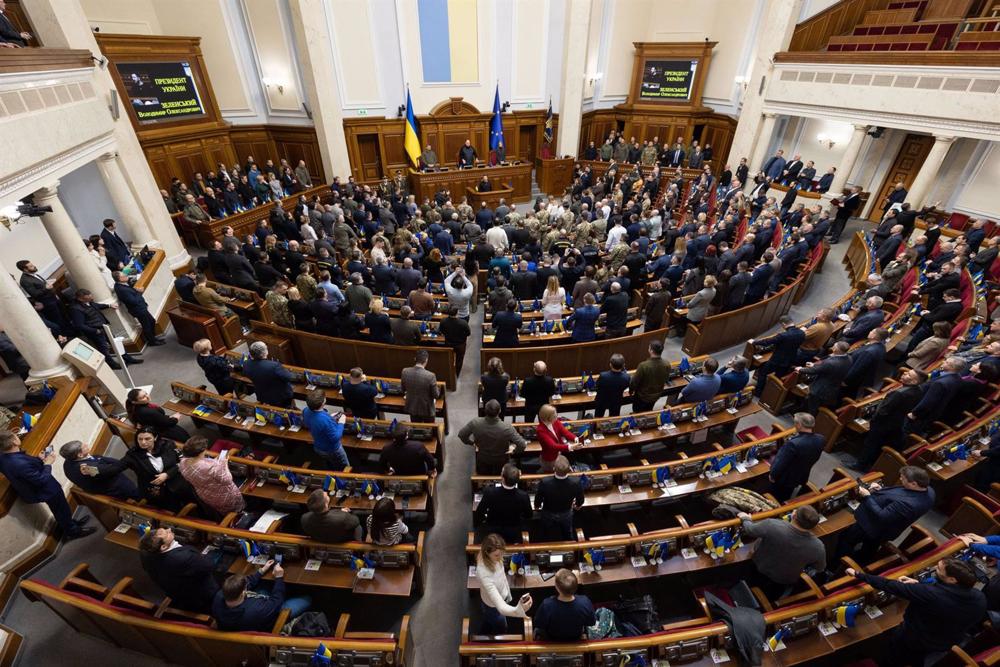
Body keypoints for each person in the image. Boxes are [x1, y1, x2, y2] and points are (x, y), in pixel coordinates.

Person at [845, 559, 985, 667]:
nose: (935, 569)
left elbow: (889, 585)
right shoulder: (979, 597)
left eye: (939, 569)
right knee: (916, 658)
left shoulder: (932, 594)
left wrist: (858, 575)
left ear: (952, 580)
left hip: (913, 638)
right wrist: (919, 586)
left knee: (891, 658)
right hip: (943, 640)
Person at [0, 432, 94, 540]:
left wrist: (39, 459)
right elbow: (41, 480)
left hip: (35, 489)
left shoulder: (3, 457)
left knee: (60, 510)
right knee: (61, 509)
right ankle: (73, 531)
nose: (18, 436)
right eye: (16, 435)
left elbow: (27, 469)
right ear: (14, 442)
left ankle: (70, 523)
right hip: (45, 490)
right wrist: (48, 464)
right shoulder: (19, 464)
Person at [836, 466, 935, 563]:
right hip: (887, 529)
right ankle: (862, 561)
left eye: (903, 478)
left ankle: (839, 565)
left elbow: (882, 516)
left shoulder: (908, 504)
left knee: (847, 539)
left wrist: (867, 497)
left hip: (872, 527)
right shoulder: (929, 491)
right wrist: (882, 489)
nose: (900, 479)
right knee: (870, 547)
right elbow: (898, 494)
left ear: (914, 483)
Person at [737, 506, 826, 600]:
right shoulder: (818, 546)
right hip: (784, 582)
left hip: (758, 569)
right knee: (771, 598)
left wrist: (745, 518)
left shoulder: (772, 525)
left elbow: (750, 530)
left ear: (794, 515)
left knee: (748, 591)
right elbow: (820, 568)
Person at [854, 369, 924, 471]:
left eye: (908, 374)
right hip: (896, 422)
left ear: (914, 382)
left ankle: (860, 465)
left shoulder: (898, 393)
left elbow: (883, 411)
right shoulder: (919, 390)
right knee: (878, 444)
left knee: (870, 443)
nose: (904, 373)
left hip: (882, 423)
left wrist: (873, 419)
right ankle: (870, 465)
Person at [139, 527, 219, 613]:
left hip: (175, 592)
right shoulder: (184, 557)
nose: (169, 529)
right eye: (166, 533)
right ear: (163, 546)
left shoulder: (145, 553)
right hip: (200, 596)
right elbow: (209, 566)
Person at [213, 561, 311, 632]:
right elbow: (277, 600)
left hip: (251, 619)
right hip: (273, 615)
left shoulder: (219, 597)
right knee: (307, 599)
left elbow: (242, 583)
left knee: (264, 587)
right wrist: (279, 577)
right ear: (243, 592)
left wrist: (261, 571)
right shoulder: (257, 610)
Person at [123, 428, 195, 510]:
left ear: (155, 438)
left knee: (191, 500)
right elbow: (118, 466)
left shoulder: (167, 445)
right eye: (140, 439)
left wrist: (168, 474)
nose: (143, 442)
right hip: (158, 491)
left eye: (147, 439)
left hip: (177, 481)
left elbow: (183, 462)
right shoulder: (133, 454)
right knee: (170, 508)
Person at [69, 288, 142, 369]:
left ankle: (128, 359)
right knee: (104, 349)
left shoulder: (89, 302)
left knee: (116, 343)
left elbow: (97, 306)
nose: (91, 297)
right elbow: (80, 325)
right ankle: (112, 364)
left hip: (104, 327)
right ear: (81, 298)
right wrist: (95, 331)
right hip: (95, 332)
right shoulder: (76, 309)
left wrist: (109, 305)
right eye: (88, 296)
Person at [475, 533, 532, 634]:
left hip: (501, 596)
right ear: (486, 553)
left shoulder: (495, 558)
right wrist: (518, 610)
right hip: (492, 606)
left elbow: (502, 576)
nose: (500, 557)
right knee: (501, 627)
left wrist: (508, 594)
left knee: (489, 621)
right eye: (497, 555)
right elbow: (500, 607)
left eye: (502, 553)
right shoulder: (484, 573)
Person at [178, 436, 245, 518]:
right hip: (224, 496)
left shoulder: (183, 462)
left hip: (206, 495)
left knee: (222, 511)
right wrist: (224, 463)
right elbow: (227, 480)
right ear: (200, 453)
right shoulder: (211, 467)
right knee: (237, 511)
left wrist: (215, 462)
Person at [460, 400, 527, 475]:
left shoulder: (475, 423)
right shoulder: (507, 427)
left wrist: (472, 443)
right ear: (500, 411)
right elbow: (522, 444)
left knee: (484, 477)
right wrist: (514, 451)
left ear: (485, 410)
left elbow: (462, 435)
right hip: (501, 460)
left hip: (483, 458)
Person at [768, 413, 825, 502]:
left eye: (795, 423)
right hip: (800, 475)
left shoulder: (793, 444)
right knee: (786, 496)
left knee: (774, 498)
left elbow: (781, 462)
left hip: (784, 479)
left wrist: (772, 475)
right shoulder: (821, 439)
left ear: (799, 425)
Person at [475, 463, 532, 543]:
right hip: (514, 529)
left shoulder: (490, 492)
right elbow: (529, 515)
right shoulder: (523, 495)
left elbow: (480, 512)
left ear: (503, 479)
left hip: (493, 528)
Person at [533, 569, 596, 641]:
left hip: (552, 639)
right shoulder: (585, 602)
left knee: (537, 630)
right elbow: (591, 622)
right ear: (576, 585)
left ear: (556, 587)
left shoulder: (547, 605)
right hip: (575, 638)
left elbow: (538, 623)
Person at [534, 455, 585, 541]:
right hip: (566, 512)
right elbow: (580, 498)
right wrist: (577, 505)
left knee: (545, 531)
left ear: (554, 468)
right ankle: (570, 547)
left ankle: (543, 543)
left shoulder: (545, 482)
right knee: (567, 533)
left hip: (548, 512)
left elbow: (539, 496)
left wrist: (537, 505)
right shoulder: (576, 482)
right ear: (569, 468)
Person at [751, 315, 805, 396]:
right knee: (778, 376)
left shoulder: (783, 335)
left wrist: (754, 342)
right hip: (790, 360)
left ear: (783, 324)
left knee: (762, 372)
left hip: (777, 360)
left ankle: (758, 393)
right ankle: (770, 392)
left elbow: (768, 342)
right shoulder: (802, 333)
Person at [797, 341, 852, 414]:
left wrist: (800, 369)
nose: (832, 347)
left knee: (812, 408)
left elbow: (814, 371)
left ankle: (807, 419)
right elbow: (827, 369)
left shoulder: (831, 363)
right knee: (813, 404)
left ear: (835, 350)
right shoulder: (849, 358)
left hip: (820, 389)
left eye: (834, 346)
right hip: (833, 387)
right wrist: (814, 365)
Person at [113, 271, 165, 346]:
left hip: (140, 308)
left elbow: (131, 293)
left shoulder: (120, 285)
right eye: (124, 275)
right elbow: (132, 301)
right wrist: (139, 292)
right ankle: (152, 342)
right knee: (147, 325)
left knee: (151, 321)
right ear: (120, 279)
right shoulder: (121, 289)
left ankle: (153, 338)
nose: (126, 275)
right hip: (138, 310)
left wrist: (135, 290)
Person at [301, 389, 350, 470]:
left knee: (329, 463)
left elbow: (308, 422)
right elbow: (335, 437)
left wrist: (329, 417)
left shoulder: (306, 410)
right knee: (344, 466)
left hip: (318, 447)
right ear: (323, 402)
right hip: (332, 449)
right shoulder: (324, 420)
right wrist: (341, 423)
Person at [242, 340, 295, 408]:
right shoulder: (274, 366)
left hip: (262, 395)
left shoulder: (246, 364)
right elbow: (289, 377)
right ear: (265, 352)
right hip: (280, 398)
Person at [126, 388, 190, 442]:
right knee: (185, 438)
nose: (147, 396)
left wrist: (168, 417)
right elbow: (168, 423)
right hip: (164, 431)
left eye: (146, 394)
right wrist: (175, 418)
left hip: (156, 426)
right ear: (134, 402)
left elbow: (157, 419)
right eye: (143, 397)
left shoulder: (135, 409)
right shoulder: (149, 412)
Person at [536, 405, 580, 473]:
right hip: (549, 459)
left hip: (558, 453)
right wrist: (570, 446)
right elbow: (552, 446)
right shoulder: (540, 430)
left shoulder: (555, 421)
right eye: (554, 416)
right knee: (553, 474)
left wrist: (575, 438)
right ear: (548, 417)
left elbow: (565, 432)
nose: (556, 417)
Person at [630, 340, 669, 413]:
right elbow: (666, 379)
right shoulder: (667, 364)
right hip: (656, 395)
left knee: (637, 412)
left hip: (642, 396)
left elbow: (635, 382)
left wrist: (631, 391)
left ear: (651, 350)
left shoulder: (643, 366)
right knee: (649, 410)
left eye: (649, 347)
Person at [402, 350, 440, 424]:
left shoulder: (405, 371)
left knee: (415, 427)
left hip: (412, 406)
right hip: (427, 409)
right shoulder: (431, 376)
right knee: (429, 429)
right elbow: (436, 395)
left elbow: (403, 389)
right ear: (426, 360)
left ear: (415, 359)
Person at [594, 353, 630, 418]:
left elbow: (597, 386)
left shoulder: (603, 376)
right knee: (614, 419)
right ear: (623, 365)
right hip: (616, 401)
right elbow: (626, 386)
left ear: (610, 364)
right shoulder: (626, 377)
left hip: (602, 401)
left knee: (598, 417)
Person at [440, 305, 472, 376]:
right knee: (459, 360)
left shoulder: (443, 321)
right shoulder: (463, 323)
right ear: (457, 313)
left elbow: (441, 331)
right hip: (460, 344)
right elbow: (468, 333)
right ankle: (457, 373)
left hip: (448, 343)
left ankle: (449, 371)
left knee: (448, 358)